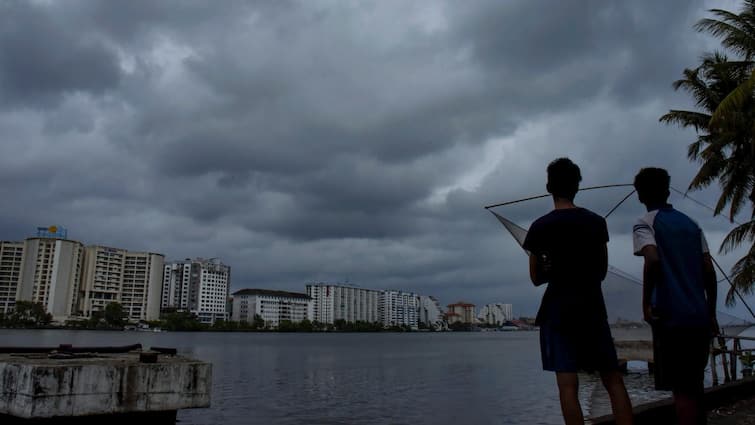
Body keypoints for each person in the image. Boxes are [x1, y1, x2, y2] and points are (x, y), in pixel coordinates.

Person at [523, 158, 633, 425]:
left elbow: (536, 278)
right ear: (577, 187)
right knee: (613, 379)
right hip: (592, 308)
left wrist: (553, 268)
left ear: (549, 186)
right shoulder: (596, 223)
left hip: (558, 311)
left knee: (567, 386)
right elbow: (602, 271)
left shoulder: (539, 227)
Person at [632, 167, 718, 425]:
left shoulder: (644, 223)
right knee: (695, 386)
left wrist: (646, 303)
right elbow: (709, 271)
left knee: (681, 392)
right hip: (699, 317)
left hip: (671, 318)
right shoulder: (692, 225)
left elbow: (653, 259)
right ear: (668, 191)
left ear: (639, 195)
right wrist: (711, 312)